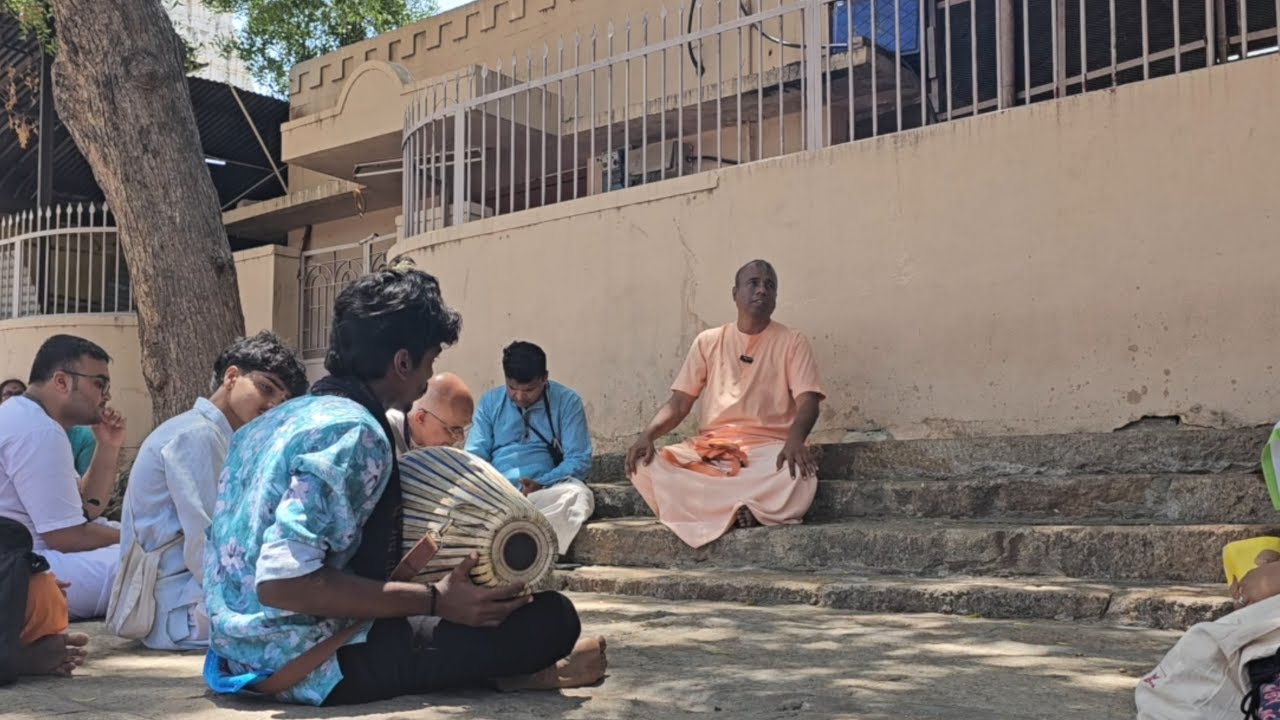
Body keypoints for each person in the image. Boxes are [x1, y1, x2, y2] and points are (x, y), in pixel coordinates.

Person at [203, 268, 605, 707]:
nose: (427, 376)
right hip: (310, 664)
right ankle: (508, 674)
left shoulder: (270, 423)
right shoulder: (354, 431)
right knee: (552, 620)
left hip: (235, 655)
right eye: (430, 361)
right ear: (402, 362)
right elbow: (282, 584)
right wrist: (434, 600)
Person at [110, 331, 307, 650]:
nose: (271, 405)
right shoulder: (196, 436)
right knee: (309, 615)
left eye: (282, 401)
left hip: (190, 598)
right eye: (266, 388)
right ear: (232, 376)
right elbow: (207, 545)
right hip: (179, 611)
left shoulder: (219, 436)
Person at [625, 260, 825, 549]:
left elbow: (808, 400)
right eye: (753, 283)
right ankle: (746, 507)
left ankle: (735, 508)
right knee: (645, 465)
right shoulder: (709, 341)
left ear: (776, 298)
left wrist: (795, 441)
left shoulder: (793, 341)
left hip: (767, 451)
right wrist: (648, 435)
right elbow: (681, 402)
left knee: (797, 474)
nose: (761, 290)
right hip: (712, 450)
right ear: (735, 293)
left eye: (769, 286)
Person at [0, 335, 126, 619]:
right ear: (61, 382)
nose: (106, 394)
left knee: (139, 550)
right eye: (99, 383)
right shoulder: (38, 430)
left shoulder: (29, 418)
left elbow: (87, 510)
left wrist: (108, 446)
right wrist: (136, 537)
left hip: (27, 560)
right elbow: (67, 536)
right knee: (150, 561)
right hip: (20, 568)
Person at [466, 342, 596, 554]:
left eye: (528, 390)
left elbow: (579, 460)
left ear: (545, 379)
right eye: (512, 388)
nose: (519, 397)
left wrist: (542, 483)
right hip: (496, 493)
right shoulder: (490, 402)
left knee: (578, 496)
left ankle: (533, 552)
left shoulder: (567, 402)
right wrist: (491, 487)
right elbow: (474, 457)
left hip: (544, 492)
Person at [386, 372, 475, 453]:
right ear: (421, 418)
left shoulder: (447, 444)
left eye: (463, 428)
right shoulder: (384, 435)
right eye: (453, 429)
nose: (460, 438)